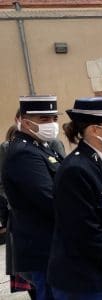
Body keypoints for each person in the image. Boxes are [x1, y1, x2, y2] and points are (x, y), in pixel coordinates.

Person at [47, 97, 102, 299]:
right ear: (94, 130)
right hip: (78, 274)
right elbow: (84, 227)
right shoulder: (75, 169)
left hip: (99, 266)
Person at [2, 95, 64, 299]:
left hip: (53, 246)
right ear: (27, 122)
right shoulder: (24, 153)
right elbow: (49, 198)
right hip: (43, 248)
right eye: (44, 120)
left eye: (54, 118)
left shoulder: (41, 147)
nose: (52, 124)